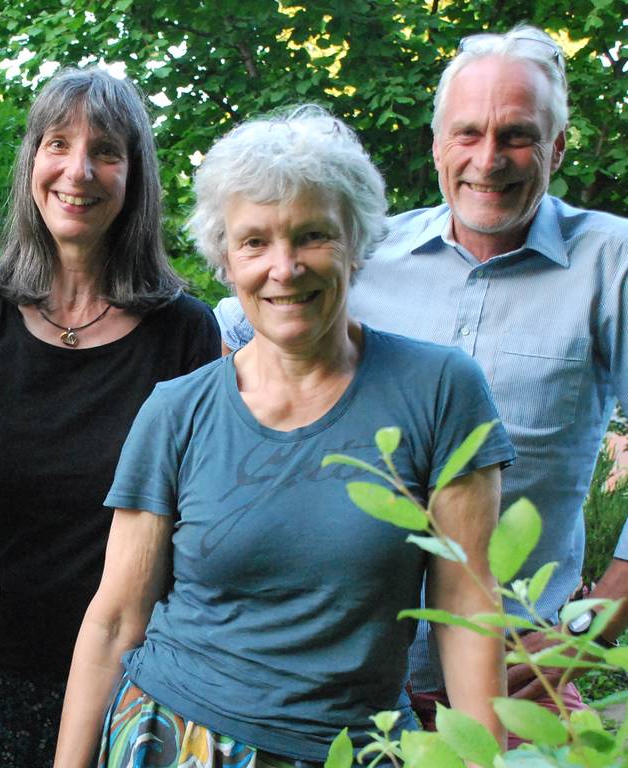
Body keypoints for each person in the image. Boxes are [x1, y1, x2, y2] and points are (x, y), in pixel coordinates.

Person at [28, 106, 513, 768]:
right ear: (225, 259)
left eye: (312, 235)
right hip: (164, 757)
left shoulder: (440, 391)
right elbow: (116, 619)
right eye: (255, 241)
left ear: (355, 244)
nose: (284, 267)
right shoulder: (177, 411)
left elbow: (467, 607)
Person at [213, 26, 628, 727]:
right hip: (340, 684)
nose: (488, 161)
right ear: (437, 144)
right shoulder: (368, 254)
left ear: (557, 147)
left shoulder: (610, 264)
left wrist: (583, 643)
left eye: (518, 135)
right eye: (467, 134)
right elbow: (235, 323)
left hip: (518, 685)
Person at [0, 67, 219, 768]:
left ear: (135, 176)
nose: (79, 170)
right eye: (58, 144)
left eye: (106, 150)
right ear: (32, 163)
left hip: (138, 686)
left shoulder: (186, 335)